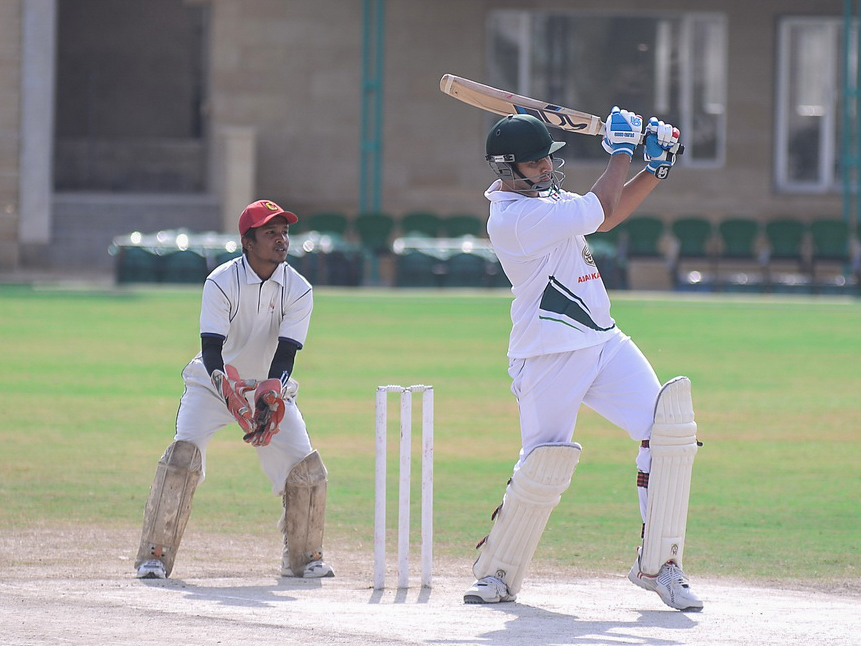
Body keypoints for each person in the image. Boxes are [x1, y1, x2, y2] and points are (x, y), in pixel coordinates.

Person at [463, 110, 703, 612]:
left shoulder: (545, 200)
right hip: (547, 353)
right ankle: (497, 571)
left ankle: (659, 564)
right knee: (543, 464)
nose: (547, 168)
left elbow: (606, 215)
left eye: (548, 159)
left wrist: (654, 169)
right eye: (536, 162)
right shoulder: (513, 220)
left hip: (602, 340)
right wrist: (621, 150)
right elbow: (600, 206)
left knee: (667, 432)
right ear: (506, 168)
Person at [135, 199, 334, 581]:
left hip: (268, 389)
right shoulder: (221, 281)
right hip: (213, 385)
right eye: (270, 233)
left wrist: (271, 393)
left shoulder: (299, 288)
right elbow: (212, 349)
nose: (282, 239)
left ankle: (303, 558)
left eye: (284, 232)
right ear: (247, 241)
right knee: (182, 456)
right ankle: (154, 555)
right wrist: (226, 389)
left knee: (305, 467)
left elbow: (286, 353)